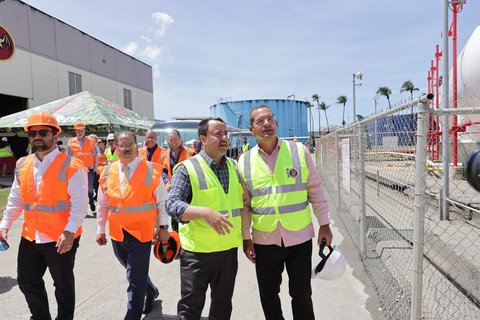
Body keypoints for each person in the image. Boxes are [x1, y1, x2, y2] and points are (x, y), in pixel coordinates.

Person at [239, 105, 332, 320]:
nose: (266, 124)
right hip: (264, 240)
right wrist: (246, 238)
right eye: (260, 121)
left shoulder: (299, 152)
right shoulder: (243, 162)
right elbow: (244, 205)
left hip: (298, 237)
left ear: (276, 123)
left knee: (301, 294)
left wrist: (324, 223)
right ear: (252, 130)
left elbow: (315, 189)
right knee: (269, 295)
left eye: (270, 119)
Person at [0, 111, 88, 320]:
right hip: (31, 236)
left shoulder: (71, 166)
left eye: (43, 132)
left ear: (55, 136)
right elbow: (15, 199)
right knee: (27, 281)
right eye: (32, 133)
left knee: (63, 285)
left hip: (60, 238)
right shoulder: (22, 164)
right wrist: (5, 224)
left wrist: (69, 232)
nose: (37, 136)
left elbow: (80, 204)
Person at [166, 117, 243, 320]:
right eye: (218, 134)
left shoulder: (234, 167)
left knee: (223, 307)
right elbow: (172, 205)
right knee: (190, 309)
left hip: (228, 251)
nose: (224, 138)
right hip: (197, 254)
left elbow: (242, 206)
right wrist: (204, 212)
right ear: (203, 139)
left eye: (225, 134)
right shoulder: (187, 168)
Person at [96, 130, 169, 319]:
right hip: (117, 233)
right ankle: (151, 291)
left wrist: (163, 228)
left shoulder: (152, 170)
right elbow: (103, 204)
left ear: (137, 147)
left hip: (141, 233)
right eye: (122, 145)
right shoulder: (106, 172)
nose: (127, 149)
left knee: (134, 278)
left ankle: (132, 315)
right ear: (116, 147)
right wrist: (100, 229)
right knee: (131, 270)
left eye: (131, 145)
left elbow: (162, 202)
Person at [67, 122, 101, 213]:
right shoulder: (70, 142)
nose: (80, 133)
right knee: (80, 189)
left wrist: (96, 167)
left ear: (84, 131)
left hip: (89, 168)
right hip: (76, 170)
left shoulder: (91, 141)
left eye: (81, 131)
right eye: (78, 131)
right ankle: (84, 208)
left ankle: (91, 201)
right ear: (75, 131)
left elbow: (95, 154)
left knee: (89, 188)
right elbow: (68, 157)